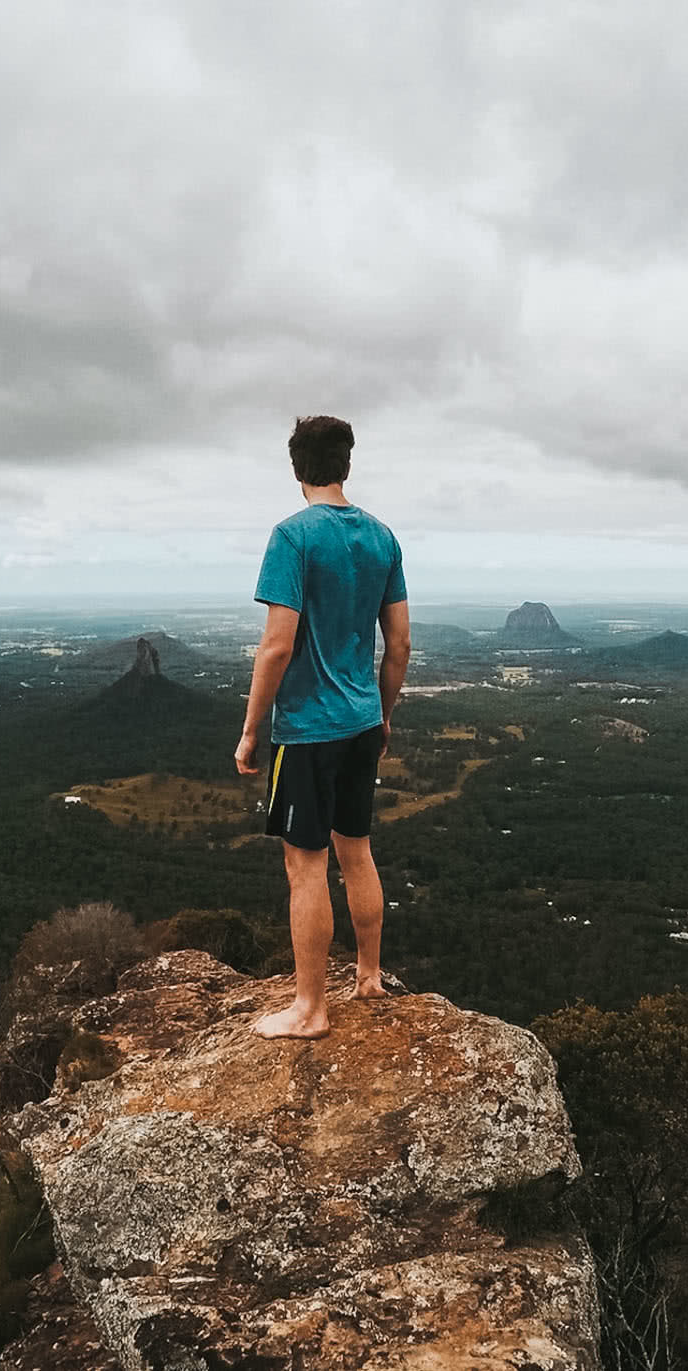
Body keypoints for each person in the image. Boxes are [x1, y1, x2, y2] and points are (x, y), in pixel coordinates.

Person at [234, 415, 410, 1039]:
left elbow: (276, 648)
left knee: (305, 867)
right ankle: (368, 976)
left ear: (297, 468)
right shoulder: (383, 538)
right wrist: (383, 715)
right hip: (363, 721)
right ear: (346, 464)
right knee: (356, 852)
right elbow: (399, 645)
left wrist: (252, 730)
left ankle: (310, 1010)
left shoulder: (292, 537)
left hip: (308, 731)